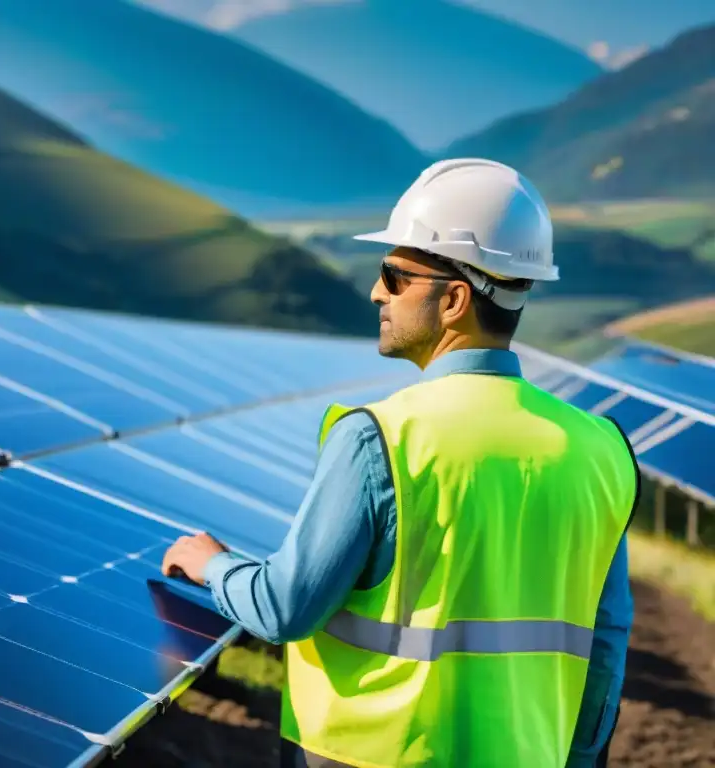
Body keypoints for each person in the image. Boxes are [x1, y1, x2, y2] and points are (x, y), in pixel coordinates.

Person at [160, 158, 639, 768]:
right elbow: (606, 642)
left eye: (394, 274)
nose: (376, 291)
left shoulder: (379, 439)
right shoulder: (602, 448)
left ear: (455, 299)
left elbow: (285, 609)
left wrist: (211, 563)